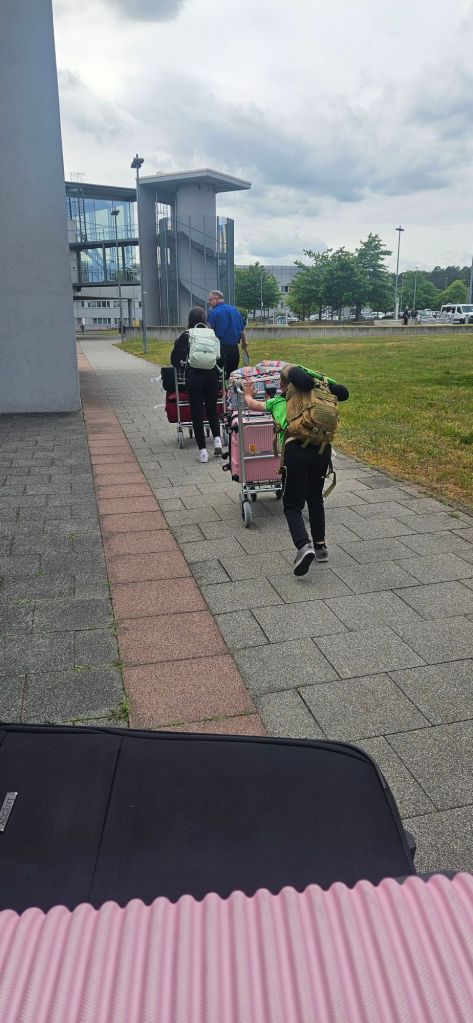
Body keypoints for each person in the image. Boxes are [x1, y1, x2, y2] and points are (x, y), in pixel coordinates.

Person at [242, 365, 349, 576]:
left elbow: (253, 405)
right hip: (322, 450)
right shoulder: (318, 397)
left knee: (292, 505)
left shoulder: (278, 402)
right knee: (315, 498)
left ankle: (303, 546)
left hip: (296, 451)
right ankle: (320, 547)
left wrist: (247, 394)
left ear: (284, 386)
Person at [171, 306, 222, 463]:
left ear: (190, 320)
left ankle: (203, 452)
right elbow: (222, 358)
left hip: (194, 377)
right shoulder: (211, 334)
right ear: (204, 319)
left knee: (197, 413)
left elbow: (174, 358)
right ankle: (217, 440)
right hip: (211, 377)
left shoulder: (187, 335)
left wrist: (183, 367)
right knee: (212, 410)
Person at [207, 290, 248, 377]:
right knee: (233, 376)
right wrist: (244, 341)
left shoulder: (213, 312)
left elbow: (209, 332)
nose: (209, 302)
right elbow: (242, 329)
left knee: (219, 376)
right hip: (234, 350)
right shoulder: (235, 310)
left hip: (219, 350)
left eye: (210, 299)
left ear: (216, 299)